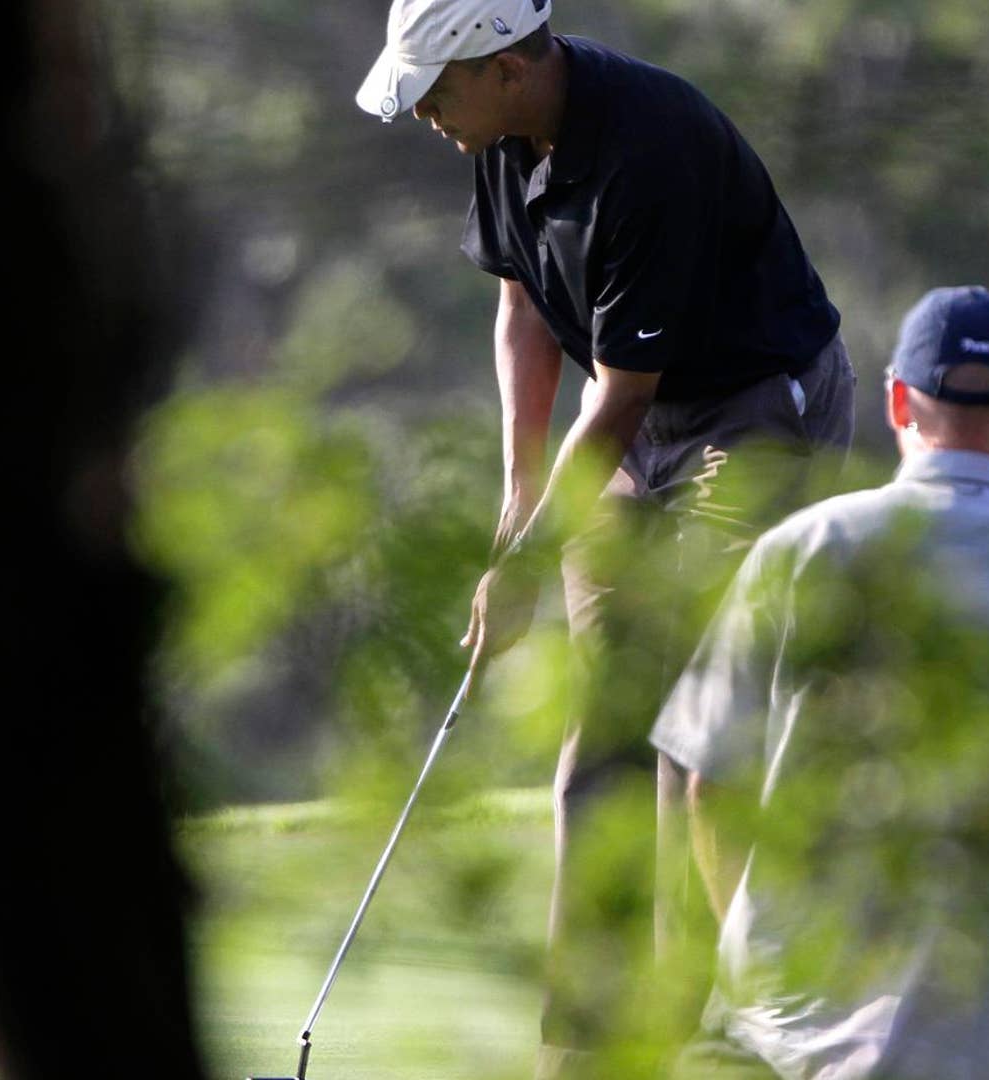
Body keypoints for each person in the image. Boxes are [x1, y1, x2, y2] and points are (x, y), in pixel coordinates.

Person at [355, 1, 856, 1073]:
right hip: (637, 428)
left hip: (757, 411)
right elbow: (526, 313)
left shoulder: (649, 147)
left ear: (502, 65)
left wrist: (532, 559)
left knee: (691, 722)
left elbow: (624, 394)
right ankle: (587, 1043)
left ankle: (719, 1024)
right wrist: (517, 494)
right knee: (605, 731)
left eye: (437, 89)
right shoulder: (495, 137)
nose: (428, 114)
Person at [650, 286, 989, 1080]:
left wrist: (746, 967)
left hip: (799, 1044)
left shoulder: (799, 552)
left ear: (896, 402)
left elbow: (710, 782)